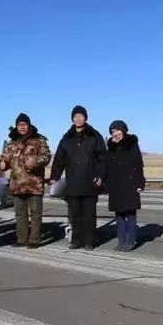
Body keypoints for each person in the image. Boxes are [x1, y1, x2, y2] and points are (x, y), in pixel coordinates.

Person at [50, 105, 106, 250]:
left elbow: (102, 158)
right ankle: (76, 240)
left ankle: (89, 241)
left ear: (85, 118)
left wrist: (100, 176)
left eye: (81, 116)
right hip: (73, 181)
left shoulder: (94, 136)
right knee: (75, 214)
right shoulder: (67, 138)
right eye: (75, 116)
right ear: (72, 119)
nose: (78, 119)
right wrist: (55, 176)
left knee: (89, 214)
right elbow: (59, 158)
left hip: (90, 181)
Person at [0, 113, 51, 249]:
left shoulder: (38, 141)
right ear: (16, 126)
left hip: (34, 184)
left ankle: (34, 240)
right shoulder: (12, 143)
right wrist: (1, 164)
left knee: (35, 214)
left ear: (29, 126)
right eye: (19, 125)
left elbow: (46, 156)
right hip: (17, 184)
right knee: (20, 214)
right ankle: (22, 239)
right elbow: (4, 158)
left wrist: (35, 162)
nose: (22, 127)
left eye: (24, 124)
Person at [103, 120, 145, 251]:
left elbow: (138, 164)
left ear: (124, 131)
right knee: (119, 214)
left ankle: (130, 241)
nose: (115, 133)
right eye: (113, 131)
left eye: (117, 130)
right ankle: (121, 241)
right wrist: (106, 183)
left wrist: (139, 183)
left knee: (130, 213)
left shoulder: (131, 143)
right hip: (115, 184)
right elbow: (107, 166)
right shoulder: (111, 146)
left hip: (130, 183)